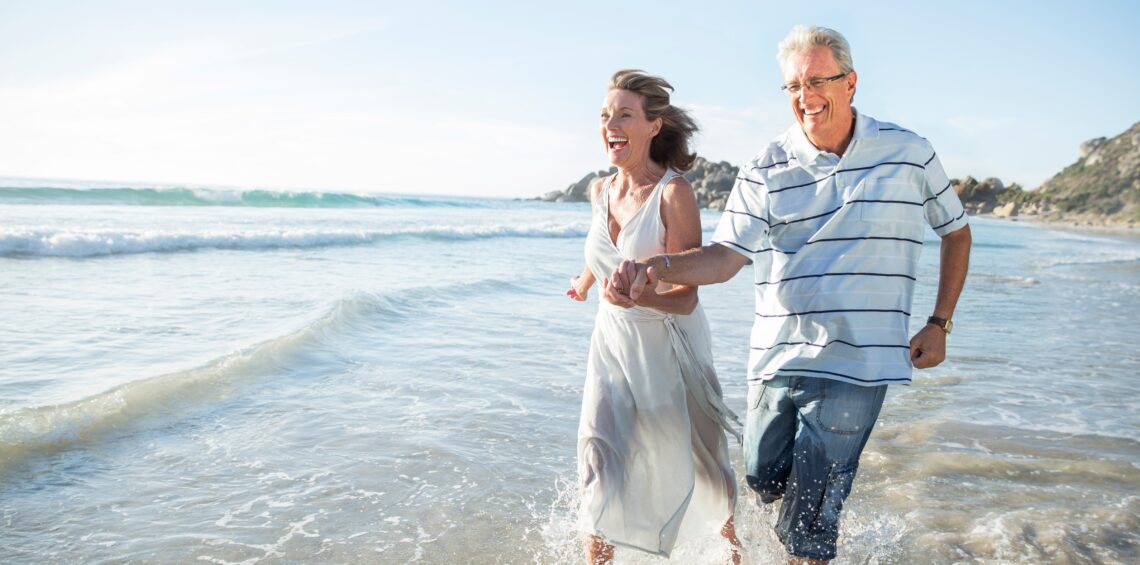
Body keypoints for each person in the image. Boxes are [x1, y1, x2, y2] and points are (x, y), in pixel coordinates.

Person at [606, 26, 972, 564]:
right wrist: (654, 265)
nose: (805, 96)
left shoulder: (909, 152)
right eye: (793, 86)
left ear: (851, 83)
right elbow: (724, 256)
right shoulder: (767, 164)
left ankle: (809, 543)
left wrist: (939, 323)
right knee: (760, 476)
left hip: (861, 361)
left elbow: (956, 231)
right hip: (777, 355)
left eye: (818, 80)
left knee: (809, 518)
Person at [567, 69, 743, 564]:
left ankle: (734, 556)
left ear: (653, 125)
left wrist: (643, 298)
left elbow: (688, 295)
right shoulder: (601, 191)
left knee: (706, 471)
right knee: (598, 463)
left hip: (670, 347)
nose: (611, 124)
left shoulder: (673, 193)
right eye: (605, 115)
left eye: (624, 114)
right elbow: (606, 251)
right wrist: (584, 282)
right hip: (612, 348)